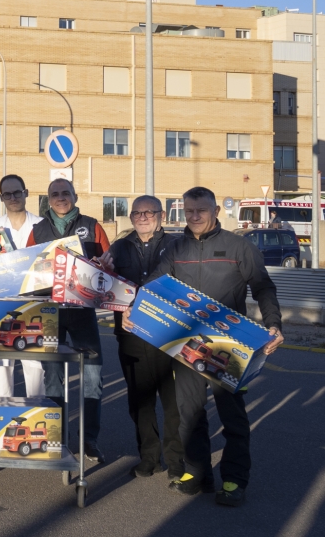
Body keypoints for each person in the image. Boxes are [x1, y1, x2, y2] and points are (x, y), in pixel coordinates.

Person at [143, 186, 284, 506]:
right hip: (188, 343)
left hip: (230, 347)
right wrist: (130, 307)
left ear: (216, 211)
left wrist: (273, 324)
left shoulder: (238, 246)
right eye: (188, 210)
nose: (194, 216)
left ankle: (234, 479)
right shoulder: (175, 249)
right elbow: (152, 285)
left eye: (201, 211)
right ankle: (197, 472)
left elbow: (263, 286)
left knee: (232, 417)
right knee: (189, 414)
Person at [99, 196, 182, 481]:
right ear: (131, 217)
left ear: (161, 215)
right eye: (137, 212)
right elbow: (107, 288)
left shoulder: (176, 245)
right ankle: (149, 458)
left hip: (170, 335)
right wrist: (102, 270)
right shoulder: (119, 247)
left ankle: (175, 459)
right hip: (131, 335)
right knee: (139, 401)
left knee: (174, 402)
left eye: (149, 212)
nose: (143, 216)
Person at [27, 177, 109, 462]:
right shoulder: (37, 231)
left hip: (83, 311)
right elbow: (26, 272)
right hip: (50, 311)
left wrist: (102, 268)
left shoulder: (92, 225)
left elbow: (108, 266)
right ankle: (56, 436)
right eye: (55, 194)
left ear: (75, 195)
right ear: (48, 199)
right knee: (52, 377)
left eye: (66, 193)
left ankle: (89, 440)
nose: (61, 197)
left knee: (93, 376)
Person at [0, 174, 44, 399]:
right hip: (2, 304)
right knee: (0, 367)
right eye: (7, 194)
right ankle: (2, 413)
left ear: (26, 193)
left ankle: (36, 413)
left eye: (17, 192)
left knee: (36, 367)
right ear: (1, 197)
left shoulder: (41, 226)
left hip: (35, 303)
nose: (13, 197)